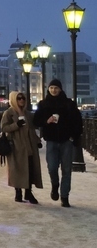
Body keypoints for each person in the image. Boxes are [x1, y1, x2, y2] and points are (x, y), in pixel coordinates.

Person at [33, 78, 83, 207]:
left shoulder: (69, 104)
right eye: (51, 88)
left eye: (56, 88)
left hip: (66, 140)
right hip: (51, 140)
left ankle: (64, 196)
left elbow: (78, 121)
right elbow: (36, 121)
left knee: (66, 170)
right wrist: (46, 121)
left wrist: (73, 136)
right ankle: (55, 185)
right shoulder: (43, 104)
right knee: (52, 167)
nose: (54, 90)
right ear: (48, 89)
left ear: (60, 89)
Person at [0, 91, 43, 203]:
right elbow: (4, 128)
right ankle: (18, 192)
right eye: (19, 98)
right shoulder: (9, 113)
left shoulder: (27, 114)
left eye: (23, 98)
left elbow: (32, 129)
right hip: (16, 146)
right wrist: (16, 125)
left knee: (29, 168)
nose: (21, 100)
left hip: (29, 145)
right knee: (17, 169)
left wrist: (37, 141)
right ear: (14, 99)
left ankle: (28, 193)